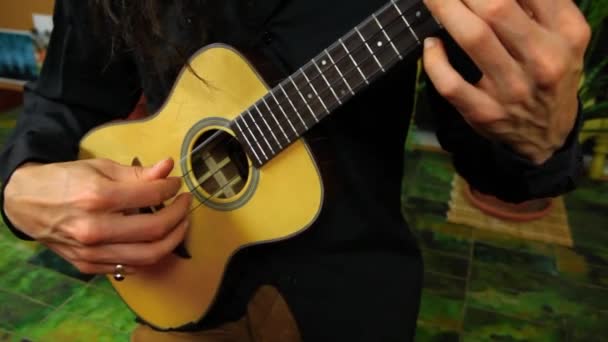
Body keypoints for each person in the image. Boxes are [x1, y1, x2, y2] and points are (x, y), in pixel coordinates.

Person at [0, 0, 590, 341]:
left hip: (352, 298)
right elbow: (68, 98)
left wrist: (542, 137)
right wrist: (20, 185)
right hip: (175, 285)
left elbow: (501, 171)